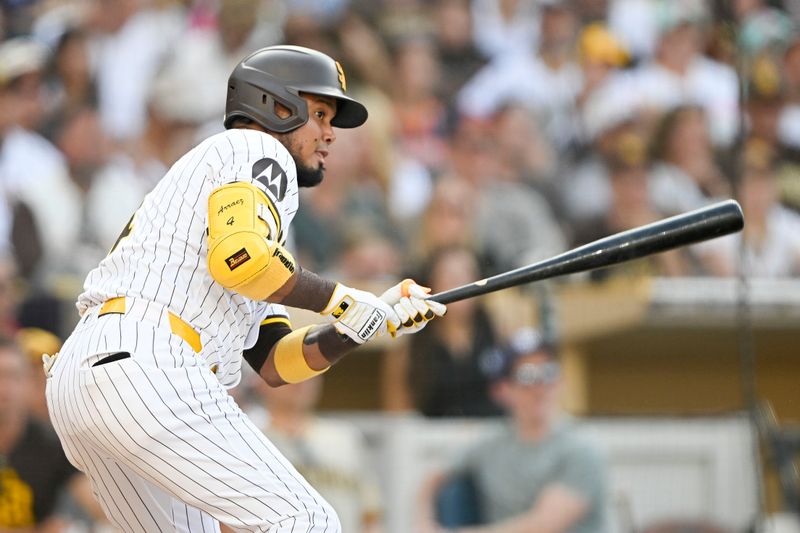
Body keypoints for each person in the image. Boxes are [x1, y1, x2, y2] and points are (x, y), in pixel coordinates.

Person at [43, 45, 446, 533]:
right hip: (147, 361)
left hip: (94, 374)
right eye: (319, 114)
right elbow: (240, 259)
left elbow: (274, 362)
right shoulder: (255, 148)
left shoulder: (240, 193)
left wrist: (359, 323)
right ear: (276, 108)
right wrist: (344, 298)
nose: (329, 134)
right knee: (305, 521)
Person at [417, 327, 609, 533]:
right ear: (501, 390)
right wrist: (423, 525)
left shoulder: (581, 448)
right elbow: (431, 479)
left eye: (548, 372)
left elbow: (543, 526)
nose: (540, 385)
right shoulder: (491, 443)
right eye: (527, 376)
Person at [255, 375, 383, 533]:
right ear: (259, 381)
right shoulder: (250, 442)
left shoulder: (346, 439)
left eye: (309, 372)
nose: (301, 379)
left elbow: (370, 515)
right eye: (289, 371)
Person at [0, 336, 103, 530]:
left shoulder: (50, 442)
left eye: (13, 377)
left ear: (26, 383)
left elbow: (100, 506)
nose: (5, 389)